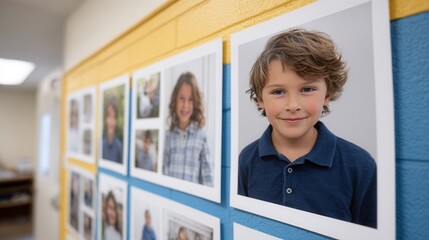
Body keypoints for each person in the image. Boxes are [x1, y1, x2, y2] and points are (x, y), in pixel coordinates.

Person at [238, 28, 377, 228]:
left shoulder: (360, 165)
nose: (293, 105)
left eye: (307, 89)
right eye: (278, 91)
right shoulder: (246, 160)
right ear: (260, 99)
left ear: (327, 95)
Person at [163, 72, 213, 186]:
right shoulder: (168, 136)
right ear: (175, 100)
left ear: (196, 102)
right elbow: (163, 173)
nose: (185, 105)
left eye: (190, 99)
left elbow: (208, 180)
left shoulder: (202, 136)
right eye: (181, 98)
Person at [102, 95, 123, 163]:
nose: (111, 122)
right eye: (109, 116)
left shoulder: (119, 147)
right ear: (105, 119)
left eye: (114, 117)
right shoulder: (101, 144)